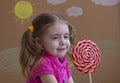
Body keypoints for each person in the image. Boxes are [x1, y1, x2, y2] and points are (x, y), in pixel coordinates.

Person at [19, 11, 76, 83]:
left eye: (66, 36)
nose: (63, 42)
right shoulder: (43, 63)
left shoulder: (62, 61)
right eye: (55, 38)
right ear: (39, 42)